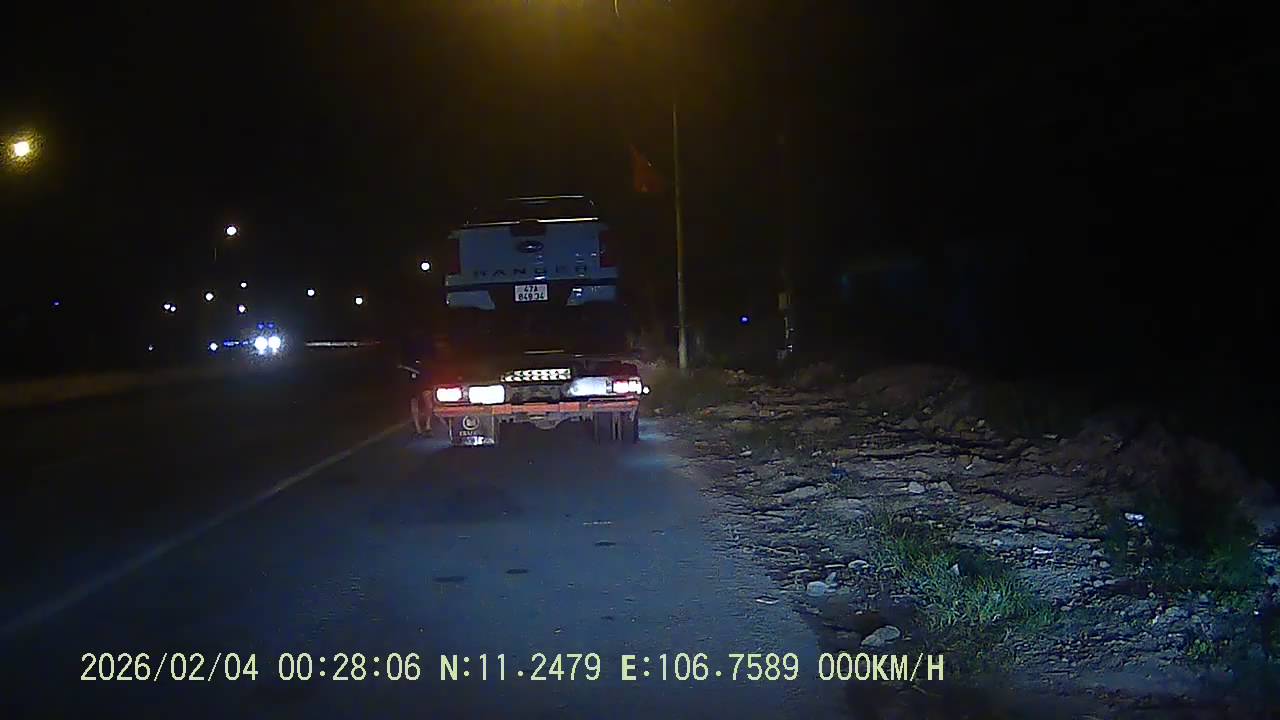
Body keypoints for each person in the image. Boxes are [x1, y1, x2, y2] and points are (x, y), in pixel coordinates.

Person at [399, 330, 435, 436]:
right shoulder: (406, 347)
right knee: (415, 403)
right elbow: (402, 364)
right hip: (414, 379)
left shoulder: (427, 348)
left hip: (425, 377)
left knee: (428, 403)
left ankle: (427, 426)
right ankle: (418, 428)